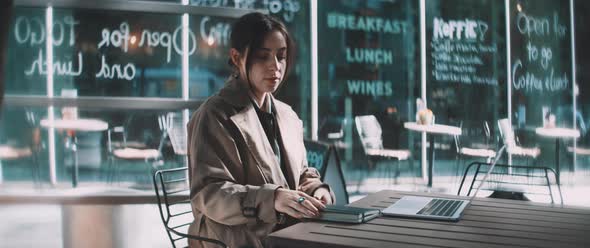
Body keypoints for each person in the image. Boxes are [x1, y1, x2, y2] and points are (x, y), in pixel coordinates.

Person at [187, 12, 334, 248]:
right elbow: (209, 193)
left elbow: (301, 173)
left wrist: (316, 190)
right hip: (233, 239)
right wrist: (272, 198)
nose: (275, 66)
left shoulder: (288, 116)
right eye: (263, 56)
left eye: (281, 56)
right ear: (236, 57)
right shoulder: (213, 114)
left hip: (287, 235)